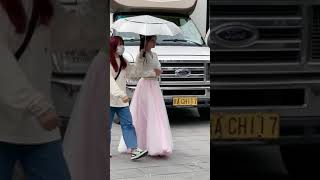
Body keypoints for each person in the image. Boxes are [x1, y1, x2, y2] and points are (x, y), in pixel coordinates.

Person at [0, 0, 107, 179]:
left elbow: (82, 34)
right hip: (18, 120)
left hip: (38, 128)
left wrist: (96, 5)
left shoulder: (43, 7)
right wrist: (37, 105)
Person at [118, 35, 173, 157]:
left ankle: (157, 143)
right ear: (146, 41)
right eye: (153, 40)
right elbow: (138, 73)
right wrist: (153, 72)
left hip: (154, 87)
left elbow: (157, 68)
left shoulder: (155, 54)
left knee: (156, 115)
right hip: (145, 87)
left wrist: (158, 71)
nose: (155, 43)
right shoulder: (141, 56)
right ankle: (141, 144)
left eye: (155, 40)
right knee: (145, 114)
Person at [109, 36, 148, 160]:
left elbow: (135, 74)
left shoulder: (123, 61)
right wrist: (121, 94)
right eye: (119, 44)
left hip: (122, 102)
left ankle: (134, 149)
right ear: (113, 46)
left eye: (122, 44)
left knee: (128, 125)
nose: (122, 47)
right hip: (109, 100)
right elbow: (109, 82)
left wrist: (141, 57)